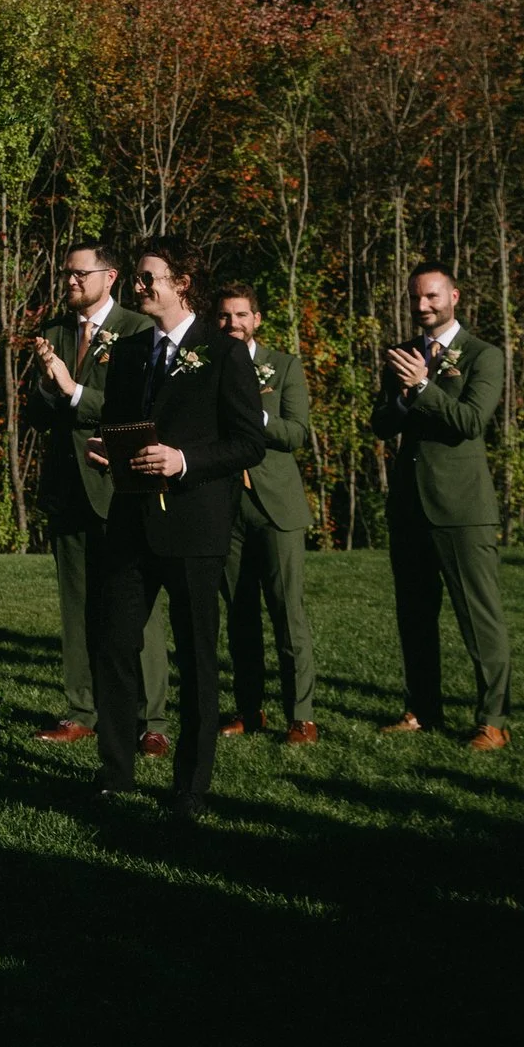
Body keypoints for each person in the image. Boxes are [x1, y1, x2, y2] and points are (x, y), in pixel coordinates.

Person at [83, 237, 265, 820]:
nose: (138, 287)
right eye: (136, 278)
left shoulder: (224, 352)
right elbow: (120, 423)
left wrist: (183, 460)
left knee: (196, 659)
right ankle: (115, 775)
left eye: (147, 277)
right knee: (111, 643)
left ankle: (190, 787)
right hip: (131, 523)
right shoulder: (131, 351)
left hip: (194, 527)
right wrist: (107, 451)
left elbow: (248, 443)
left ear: (182, 281)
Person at [29, 242, 166, 752]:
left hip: (120, 486)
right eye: (65, 273)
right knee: (77, 606)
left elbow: (141, 407)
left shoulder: (137, 330)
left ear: (108, 277)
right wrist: (48, 387)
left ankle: (152, 720)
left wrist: (73, 391)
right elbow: (40, 411)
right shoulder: (55, 333)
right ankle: (82, 709)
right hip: (67, 490)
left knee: (138, 608)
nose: (68, 281)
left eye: (78, 273)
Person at [371, 263, 513, 750]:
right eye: (415, 299)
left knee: (479, 616)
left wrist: (426, 388)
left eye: (432, 297)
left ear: (454, 296)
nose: (422, 306)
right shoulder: (404, 354)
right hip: (410, 504)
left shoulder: (483, 355)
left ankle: (493, 719)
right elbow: (381, 422)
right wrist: (405, 398)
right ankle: (421, 709)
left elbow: (471, 422)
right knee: (414, 614)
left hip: (461, 507)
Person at [211, 284, 319, 744]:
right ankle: (249, 709)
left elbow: (296, 433)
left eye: (240, 315)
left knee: (287, 612)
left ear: (256, 319)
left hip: (276, 506)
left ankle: (302, 715)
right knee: (239, 615)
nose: (231, 323)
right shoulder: (202, 365)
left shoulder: (285, 366)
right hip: (225, 506)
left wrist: (252, 415)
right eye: (223, 316)